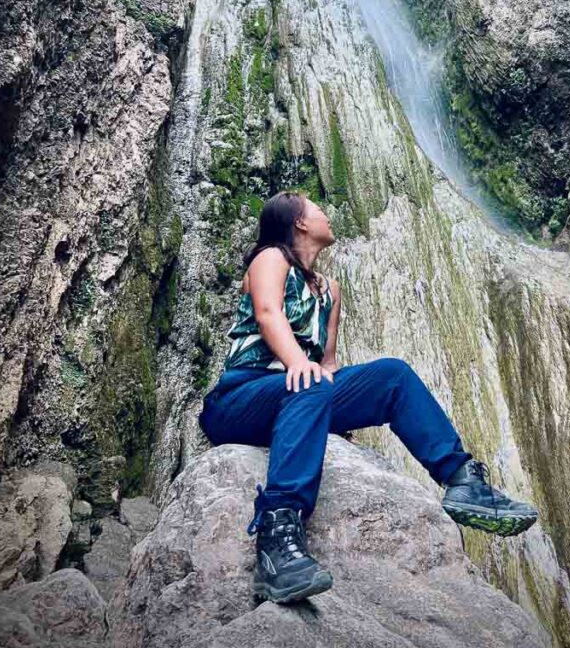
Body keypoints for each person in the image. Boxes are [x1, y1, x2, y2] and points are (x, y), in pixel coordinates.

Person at [198, 190, 538, 605]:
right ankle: (277, 537)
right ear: (300, 223)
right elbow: (269, 314)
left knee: (392, 374)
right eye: (318, 210)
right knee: (311, 382)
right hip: (239, 398)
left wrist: (331, 411)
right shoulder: (270, 258)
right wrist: (301, 370)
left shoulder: (330, 290)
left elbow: (328, 365)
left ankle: (462, 479)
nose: (327, 215)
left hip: (302, 395)